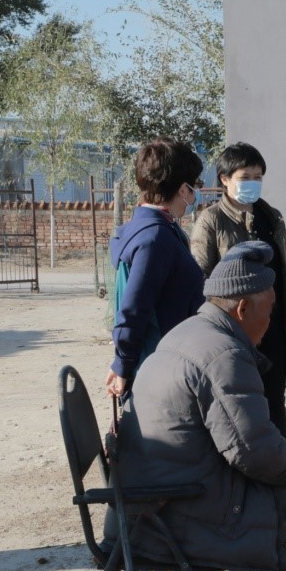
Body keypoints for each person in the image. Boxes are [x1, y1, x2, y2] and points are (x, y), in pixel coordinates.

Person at [119, 241, 286, 571]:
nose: (271, 322)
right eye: (269, 311)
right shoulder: (223, 354)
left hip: (148, 511)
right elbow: (254, 452)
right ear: (243, 308)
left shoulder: (186, 333)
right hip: (178, 523)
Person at [191, 142, 286, 439]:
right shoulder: (211, 220)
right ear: (225, 179)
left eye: (258, 177)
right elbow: (201, 275)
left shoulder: (272, 218)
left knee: (274, 400)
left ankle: (280, 460)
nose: (252, 183)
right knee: (240, 403)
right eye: (245, 177)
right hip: (235, 330)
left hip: (274, 325)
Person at [106, 137, 205, 399]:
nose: (194, 195)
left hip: (169, 360)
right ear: (182, 189)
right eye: (195, 186)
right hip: (160, 369)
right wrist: (123, 364)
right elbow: (134, 308)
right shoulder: (155, 238)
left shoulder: (157, 229)